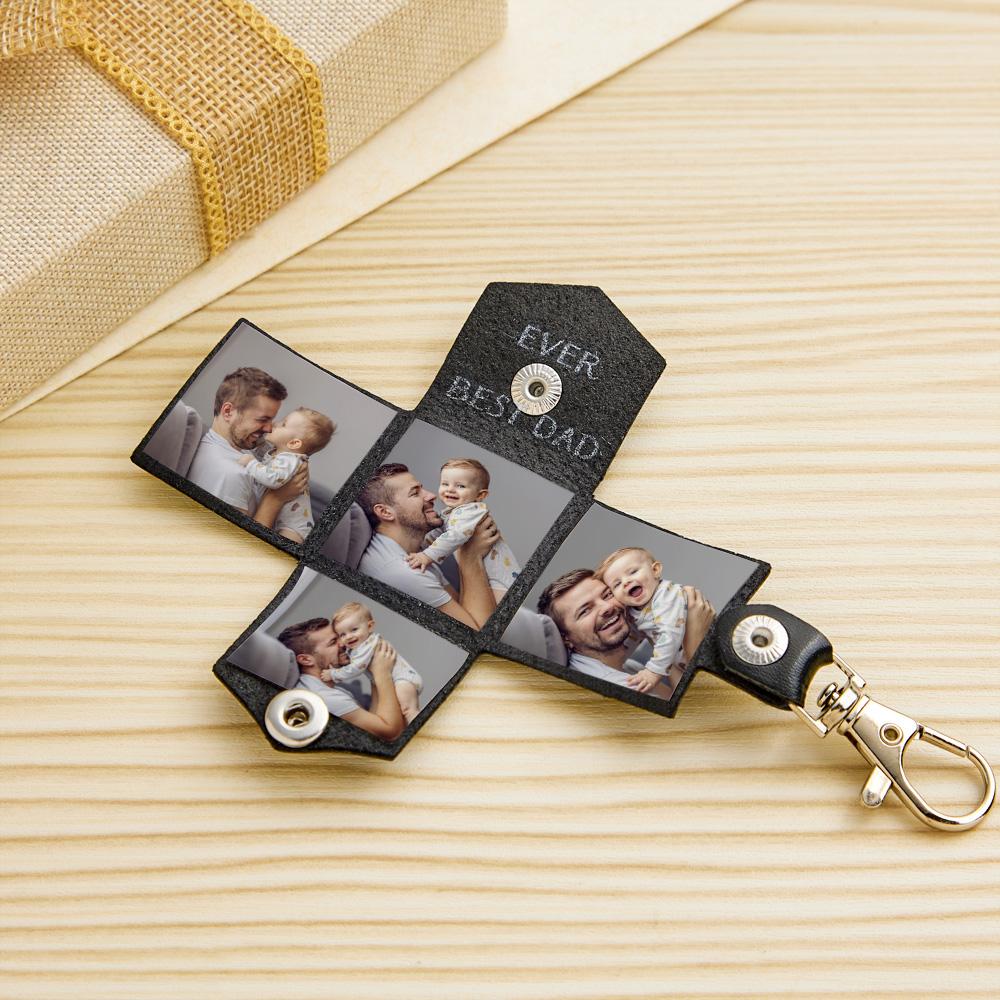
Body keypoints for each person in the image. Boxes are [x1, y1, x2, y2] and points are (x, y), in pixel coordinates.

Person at [356, 463, 499, 629]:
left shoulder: (416, 552)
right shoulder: (405, 572)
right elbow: (482, 633)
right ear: (385, 512)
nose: (432, 496)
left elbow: (463, 609)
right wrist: (471, 556)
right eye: (415, 493)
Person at [537, 568, 715, 700]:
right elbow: (700, 718)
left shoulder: (629, 667)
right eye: (585, 611)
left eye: (607, 595)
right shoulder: (614, 690)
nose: (607, 607)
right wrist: (696, 642)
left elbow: (674, 696)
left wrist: (667, 635)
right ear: (566, 638)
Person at [187, 367, 309, 531]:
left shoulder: (236, 448)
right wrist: (276, 499)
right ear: (228, 412)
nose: (269, 428)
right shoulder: (231, 475)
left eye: (272, 420)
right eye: (262, 420)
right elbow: (239, 542)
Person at [404, 458, 520, 601]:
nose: (450, 489)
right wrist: (419, 547)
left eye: (460, 486)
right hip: (487, 574)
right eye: (445, 484)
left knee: (498, 610)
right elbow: (439, 534)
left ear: (480, 495)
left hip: (502, 577)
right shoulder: (452, 512)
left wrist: (426, 556)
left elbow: (455, 535)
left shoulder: (472, 511)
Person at [277, 617, 405, 740]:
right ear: (306, 659)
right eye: (333, 642)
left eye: (339, 637)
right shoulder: (325, 699)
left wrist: (373, 672)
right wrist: (383, 673)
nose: (343, 643)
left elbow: (375, 724)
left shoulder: (328, 689)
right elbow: (391, 733)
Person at [595, 546, 687, 694]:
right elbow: (633, 637)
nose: (626, 582)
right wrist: (620, 660)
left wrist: (653, 671)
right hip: (680, 664)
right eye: (617, 584)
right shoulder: (633, 611)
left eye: (633, 572)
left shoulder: (667, 594)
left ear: (655, 570)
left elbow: (671, 634)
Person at [238, 406, 335, 543]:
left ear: (294, 443)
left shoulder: (290, 460)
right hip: (282, 522)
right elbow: (261, 455)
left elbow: (273, 479)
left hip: (295, 528)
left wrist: (250, 463)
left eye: (283, 424)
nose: (275, 424)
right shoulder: (278, 452)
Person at [322, 601, 424, 724]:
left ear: (370, 626)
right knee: (401, 714)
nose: (348, 636)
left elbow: (356, 668)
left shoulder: (368, 645)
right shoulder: (359, 646)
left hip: (404, 679)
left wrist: (333, 674)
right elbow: (355, 659)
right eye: (342, 634)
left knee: (409, 710)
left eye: (354, 630)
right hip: (398, 680)